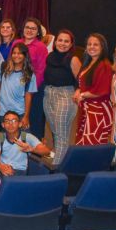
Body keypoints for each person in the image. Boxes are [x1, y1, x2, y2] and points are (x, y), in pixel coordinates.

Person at [43, 29, 80, 164]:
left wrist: (79, 90)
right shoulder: (50, 56)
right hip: (49, 94)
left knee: (61, 134)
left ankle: (57, 168)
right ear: (55, 41)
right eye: (60, 40)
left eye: (66, 41)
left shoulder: (73, 59)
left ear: (71, 44)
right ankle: (63, 159)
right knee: (55, 131)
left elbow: (81, 80)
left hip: (65, 96)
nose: (62, 44)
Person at [11, 18, 50, 138]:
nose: (29, 30)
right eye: (27, 27)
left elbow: (41, 70)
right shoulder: (16, 42)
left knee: (33, 120)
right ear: (23, 29)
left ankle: (33, 150)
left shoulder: (41, 46)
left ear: (38, 32)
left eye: (33, 28)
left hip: (33, 89)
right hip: (16, 87)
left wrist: (29, 89)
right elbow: (10, 63)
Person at [74, 33, 113, 146]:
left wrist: (82, 95)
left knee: (92, 145)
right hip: (88, 109)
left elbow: (102, 91)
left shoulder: (104, 65)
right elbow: (81, 82)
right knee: (83, 143)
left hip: (98, 112)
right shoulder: (88, 62)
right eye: (89, 44)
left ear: (102, 47)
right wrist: (78, 91)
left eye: (96, 44)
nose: (91, 47)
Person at [0, 111, 50, 176]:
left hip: (21, 171)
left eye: (14, 121)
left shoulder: (27, 137)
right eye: (7, 121)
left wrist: (32, 149)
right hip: (3, 169)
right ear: (3, 125)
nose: (10, 124)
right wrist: (0, 166)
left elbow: (47, 152)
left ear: (20, 124)